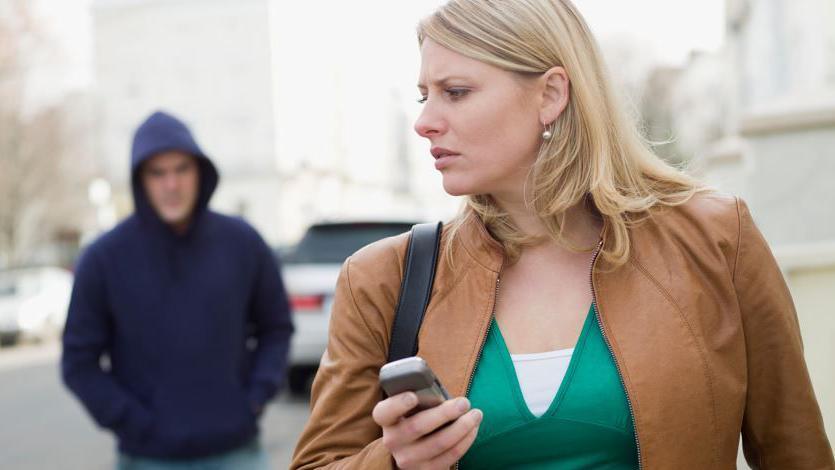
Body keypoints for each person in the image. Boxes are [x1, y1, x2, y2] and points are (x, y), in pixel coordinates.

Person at [290, 0, 834, 469]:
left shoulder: (716, 238)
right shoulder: (383, 277)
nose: (425, 120)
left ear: (550, 94)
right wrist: (395, 459)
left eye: (455, 92)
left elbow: (796, 453)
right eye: (423, 95)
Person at [62, 110, 294, 469]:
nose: (171, 184)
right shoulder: (104, 258)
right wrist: (133, 422)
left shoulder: (243, 242)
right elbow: (78, 362)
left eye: (181, 169)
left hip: (238, 452)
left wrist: (255, 397)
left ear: (200, 172)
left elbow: (276, 327)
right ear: (141, 180)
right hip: (146, 458)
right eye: (158, 172)